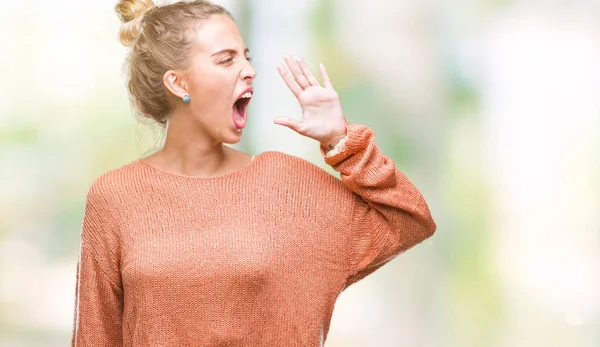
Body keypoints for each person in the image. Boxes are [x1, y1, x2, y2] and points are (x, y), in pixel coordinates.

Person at [71, 0, 437, 346]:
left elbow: (408, 219)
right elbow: (94, 336)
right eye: (225, 60)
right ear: (178, 83)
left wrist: (341, 142)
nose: (249, 70)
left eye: (246, 58)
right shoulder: (114, 196)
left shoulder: (284, 183)